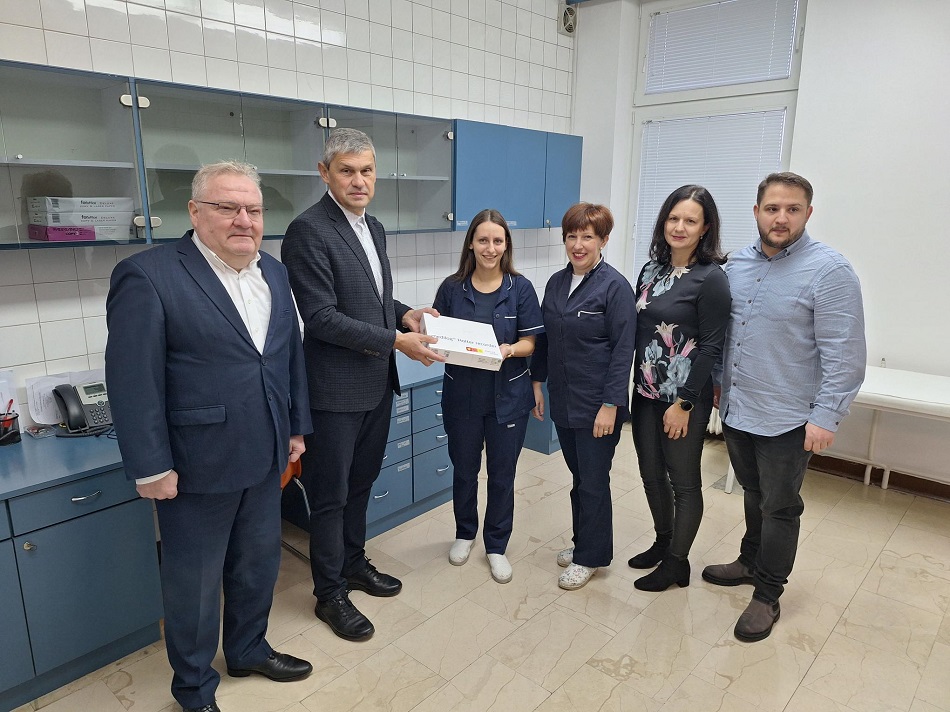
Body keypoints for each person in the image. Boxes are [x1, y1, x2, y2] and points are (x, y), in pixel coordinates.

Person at [105, 161, 314, 712]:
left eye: (254, 209)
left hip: (265, 453)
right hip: (196, 464)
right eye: (227, 207)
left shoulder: (274, 271)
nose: (244, 220)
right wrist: (151, 466)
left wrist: (296, 426)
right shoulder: (148, 275)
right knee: (195, 585)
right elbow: (132, 381)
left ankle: (247, 650)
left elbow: (287, 354)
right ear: (195, 212)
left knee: (257, 565)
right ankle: (195, 689)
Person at [281, 128, 444, 642]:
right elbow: (322, 317)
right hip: (333, 391)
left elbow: (371, 300)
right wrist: (396, 340)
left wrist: (405, 313)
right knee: (329, 497)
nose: (359, 181)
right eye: (347, 171)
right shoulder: (308, 230)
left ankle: (353, 564)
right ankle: (329, 594)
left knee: (360, 485)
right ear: (324, 173)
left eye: (366, 171)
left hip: (375, 385)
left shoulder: (372, 226)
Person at [703, 172, 866, 642]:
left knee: (779, 507)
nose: (781, 218)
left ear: (807, 213)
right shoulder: (736, 265)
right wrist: (718, 386)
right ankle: (750, 561)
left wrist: (826, 417)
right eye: (772, 208)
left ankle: (768, 594)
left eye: (792, 209)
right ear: (756, 212)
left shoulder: (830, 271)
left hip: (788, 418)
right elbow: (727, 334)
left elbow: (845, 354)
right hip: (738, 409)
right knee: (752, 494)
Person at [432, 209, 544, 584]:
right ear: (471, 244)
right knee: (464, 472)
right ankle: (465, 534)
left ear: (506, 245)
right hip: (462, 398)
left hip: (508, 397)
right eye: (483, 240)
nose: (490, 248)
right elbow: (438, 336)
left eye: (497, 241)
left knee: (502, 476)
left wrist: (508, 350)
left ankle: (496, 546)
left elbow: (530, 343)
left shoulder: (520, 288)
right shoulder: (452, 288)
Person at [628, 185, 731, 592]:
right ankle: (663, 542)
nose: (680, 227)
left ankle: (677, 563)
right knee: (651, 475)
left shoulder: (711, 279)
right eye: (674, 218)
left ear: (705, 228)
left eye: (690, 220)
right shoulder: (650, 271)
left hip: (683, 400)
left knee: (683, 482)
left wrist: (685, 403)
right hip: (645, 393)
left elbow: (712, 347)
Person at [531, 203, 637, 591]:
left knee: (593, 481)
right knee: (579, 479)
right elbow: (544, 337)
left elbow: (623, 351)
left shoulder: (615, 287)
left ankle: (591, 557)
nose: (578, 245)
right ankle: (583, 543)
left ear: (603, 240)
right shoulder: (557, 283)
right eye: (572, 236)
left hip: (598, 405)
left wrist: (611, 405)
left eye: (587, 237)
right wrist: (537, 382)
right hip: (564, 398)